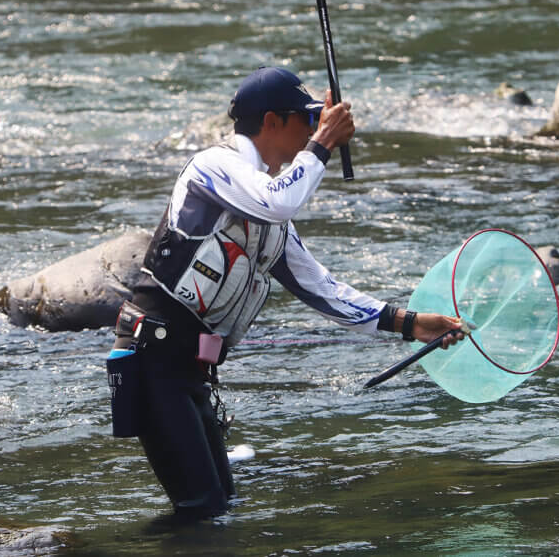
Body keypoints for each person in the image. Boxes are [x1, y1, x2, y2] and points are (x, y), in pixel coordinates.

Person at [112, 66, 463, 520]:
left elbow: (320, 287)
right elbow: (279, 199)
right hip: (153, 357)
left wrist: (409, 323)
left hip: (188, 370)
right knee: (202, 511)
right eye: (307, 120)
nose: (312, 130)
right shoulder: (214, 167)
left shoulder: (267, 213)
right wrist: (324, 145)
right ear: (273, 122)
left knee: (219, 508)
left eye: (317, 122)